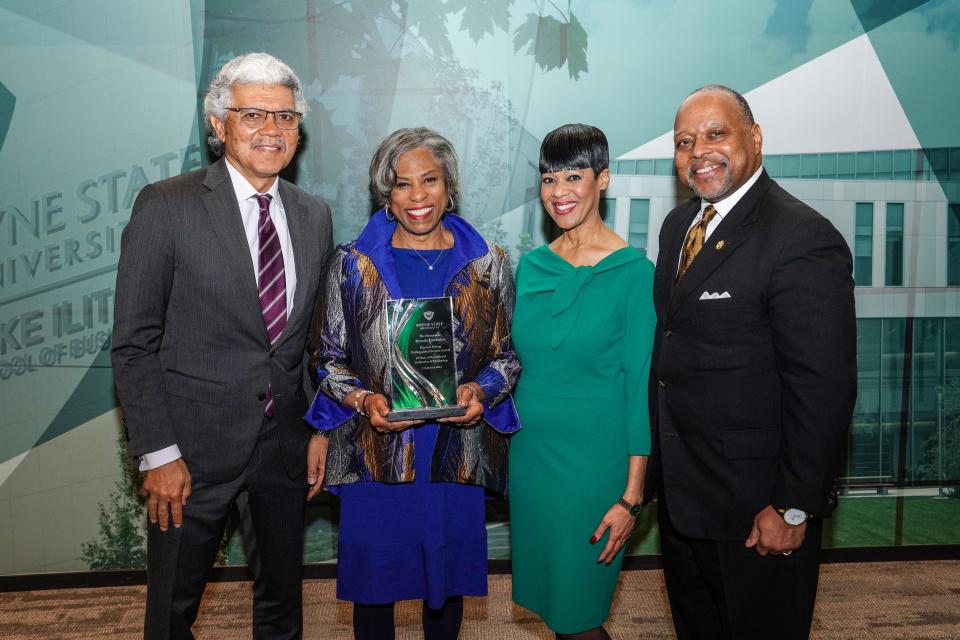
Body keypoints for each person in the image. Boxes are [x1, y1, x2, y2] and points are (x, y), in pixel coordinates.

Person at [112, 52, 334, 639]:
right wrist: (158, 453)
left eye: (285, 117)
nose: (271, 129)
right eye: (253, 113)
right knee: (171, 613)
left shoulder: (314, 215)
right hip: (190, 455)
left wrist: (317, 428)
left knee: (283, 608)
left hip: (283, 451)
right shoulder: (166, 204)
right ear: (219, 125)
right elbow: (134, 344)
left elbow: (306, 340)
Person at [645, 85, 856, 640]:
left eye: (716, 134)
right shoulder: (678, 229)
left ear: (754, 139)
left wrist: (792, 508)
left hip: (756, 511)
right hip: (686, 502)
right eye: (685, 142)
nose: (699, 151)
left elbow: (823, 389)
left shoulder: (802, 237)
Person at [304, 127, 520, 640]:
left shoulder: (488, 263)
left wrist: (480, 392)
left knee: (443, 589)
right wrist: (362, 398)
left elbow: (508, 357)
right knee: (373, 589)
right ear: (386, 193)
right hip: (375, 448)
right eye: (402, 185)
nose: (417, 196)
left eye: (430, 181)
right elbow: (327, 359)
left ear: (450, 187)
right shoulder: (352, 263)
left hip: (454, 449)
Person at [508, 123, 656, 640]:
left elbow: (640, 389)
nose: (559, 192)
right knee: (554, 608)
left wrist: (631, 497)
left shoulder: (636, 274)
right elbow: (508, 361)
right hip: (532, 460)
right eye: (549, 179)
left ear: (604, 179)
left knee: (580, 617)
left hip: (595, 466)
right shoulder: (531, 268)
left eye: (574, 176)